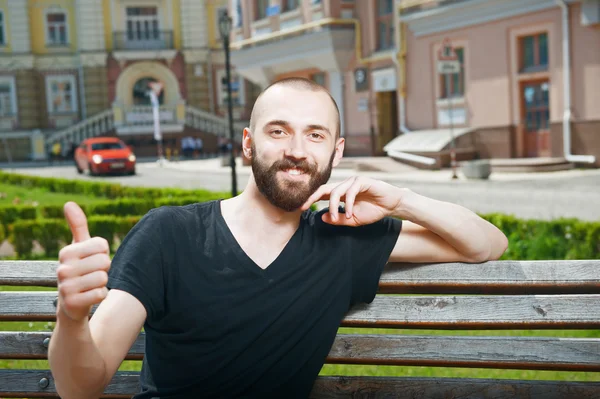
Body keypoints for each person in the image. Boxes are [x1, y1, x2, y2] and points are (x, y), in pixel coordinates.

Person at [49, 77, 508, 399]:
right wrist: (71, 317)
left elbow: (487, 244)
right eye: (278, 131)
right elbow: (81, 386)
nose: (296, 151)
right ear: (248, 143)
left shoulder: (344, 237)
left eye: (315, 135)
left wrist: (400, 200)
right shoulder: (169, 234)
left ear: (336, 151)